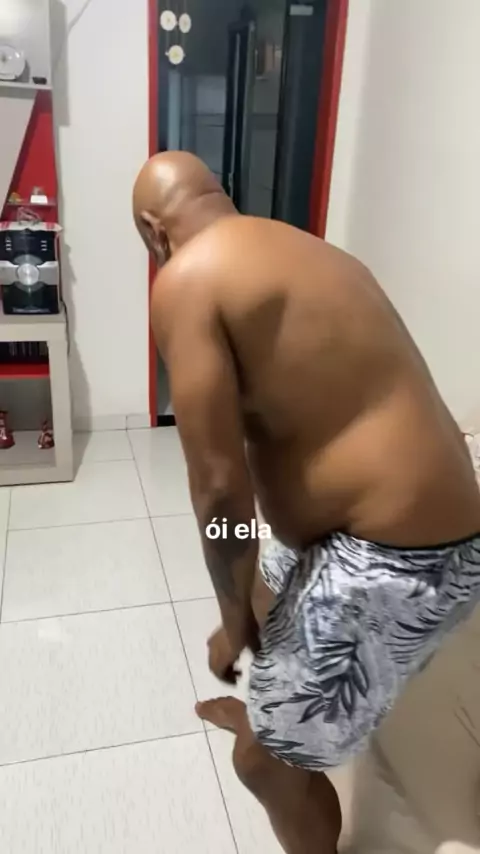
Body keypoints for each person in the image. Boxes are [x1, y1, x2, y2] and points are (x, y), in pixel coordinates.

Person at [133, 151, 480, 854]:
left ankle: (277, 744)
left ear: (152, 229)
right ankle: (279, 711)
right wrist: (249, 601)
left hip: (399, 560)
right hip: (416, 530)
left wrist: (232, 619)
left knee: (261, 766)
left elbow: (220, 490)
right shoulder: (312, 251)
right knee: (267, 583)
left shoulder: (187, 278)